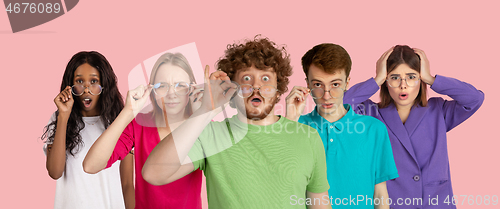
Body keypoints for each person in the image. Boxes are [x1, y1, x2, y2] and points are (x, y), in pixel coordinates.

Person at [143, 36, 332, 208]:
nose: (256, 86)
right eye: (247, 79)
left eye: (265, 79)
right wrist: (205, 110)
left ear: (278, 89)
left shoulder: (308, 138)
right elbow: (153, 173)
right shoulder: (211, 135)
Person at [341, 45, 484, 208]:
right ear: (386, 82)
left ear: (420, 80)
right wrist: (376, 80)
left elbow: (474, 99)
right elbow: (339, 105)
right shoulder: (371, 113)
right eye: (394, 77)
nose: (403, 85)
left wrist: (431, 79)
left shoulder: (438, 110)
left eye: (411, 77)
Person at [83, 53, 204, 208]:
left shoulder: (202, 126)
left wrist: (201, 115)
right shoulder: (138, 125)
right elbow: (91, 165)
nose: (172, 94)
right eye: (162, 86)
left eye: (181, 85)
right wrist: (128, 112)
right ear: (152, 89)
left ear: (193, 88)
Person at [286, 43, 398, 208]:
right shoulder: (294, 125)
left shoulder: (374, 129)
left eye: (335, 85)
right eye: (318, 84)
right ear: (307, 85)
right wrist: (290, 121)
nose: (327, 95)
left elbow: (380, 194)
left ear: (347, 83)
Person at [42, 51, 128, 208]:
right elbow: (55, 172)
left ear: (105, 85)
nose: (86, 89)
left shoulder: (119, 122)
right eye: (79, 81)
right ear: (70, 85)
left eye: (94, 81)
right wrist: (63, 116)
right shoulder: (59, 119)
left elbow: (127, 183)